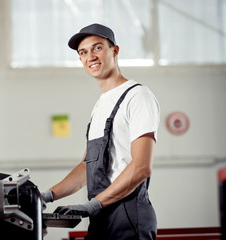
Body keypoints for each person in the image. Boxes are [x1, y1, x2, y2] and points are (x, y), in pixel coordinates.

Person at [42, 23, 160, 239]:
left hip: (128, 216)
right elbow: (85, 167)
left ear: (114, 50)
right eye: (84, 52)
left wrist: (93, 205)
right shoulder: (99, 106)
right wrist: (46, 196)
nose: (91, 57)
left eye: (97, 48)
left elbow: (142, 167)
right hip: (102, 216)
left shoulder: (137, 96)